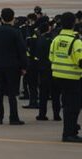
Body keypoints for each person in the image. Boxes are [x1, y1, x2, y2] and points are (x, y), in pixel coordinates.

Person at [0, 7, 28, 125]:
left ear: (1, 18)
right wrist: (24, 66)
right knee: (12, 94)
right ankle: (13, 118)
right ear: (13, 18)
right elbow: (22, 50)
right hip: (13, 67)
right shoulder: (16, 32)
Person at [48, 12, 81, 143]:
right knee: (73, 107)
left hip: (57, 76)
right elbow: (80, 60)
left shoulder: (56, 39)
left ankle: (71, 128)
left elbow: (50, 57)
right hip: (72, 78)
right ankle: (69, 133)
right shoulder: (75, 41)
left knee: (67, 105)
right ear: (74, 23)